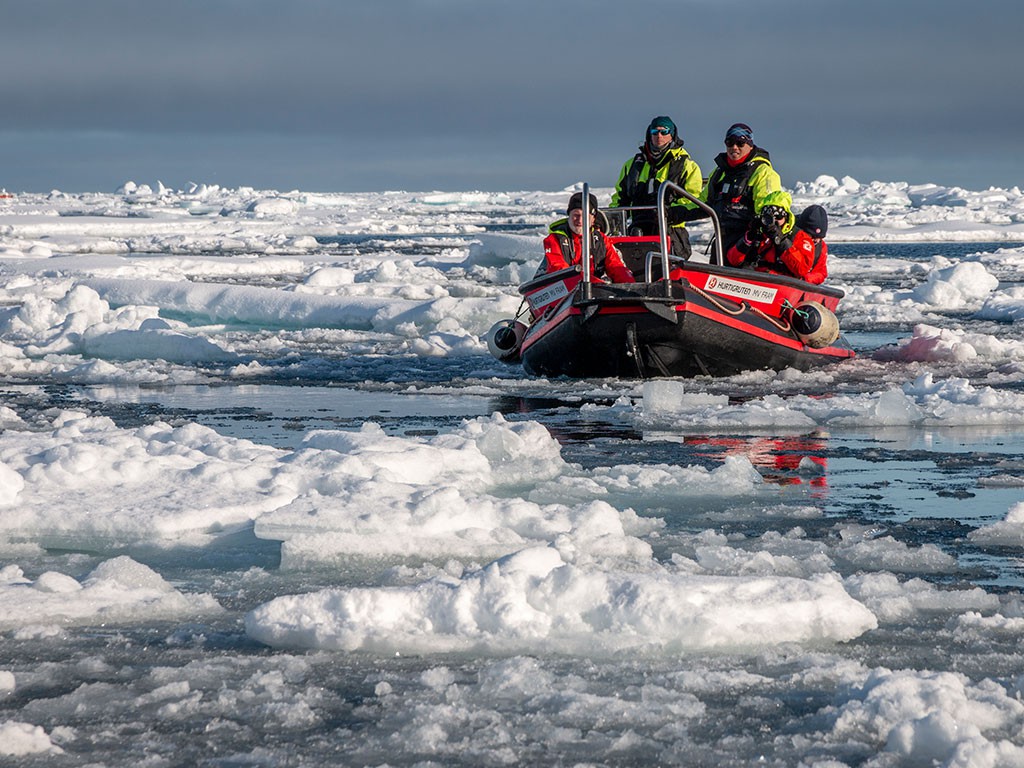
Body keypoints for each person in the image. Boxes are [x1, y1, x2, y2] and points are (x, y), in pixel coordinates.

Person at [672, 122, 785, 254]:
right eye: (729, 143)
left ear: (750, 144)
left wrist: (771, 214)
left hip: (749, 247)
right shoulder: (719, 173)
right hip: (721, 244)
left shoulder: (763, 173)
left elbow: (768, 204)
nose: (734, 147)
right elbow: (702, 204)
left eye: (740, 143)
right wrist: (672, 213)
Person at [610, 116, 703, 258]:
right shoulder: (633, 165)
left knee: (671, 271)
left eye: (664, 132)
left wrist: (670, 213)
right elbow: (620, 199)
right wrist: (609, 220)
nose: (659, 136)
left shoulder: (687, 166)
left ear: (672, 135)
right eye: (655, 131)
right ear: (649, 134)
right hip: (637, 232)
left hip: (671, 232)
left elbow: (693, 200)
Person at [727, 195, 830, 284]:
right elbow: (733, 260)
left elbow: (809, 271)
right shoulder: (762, 232)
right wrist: (749, 238)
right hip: (756, 281)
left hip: (786, 285)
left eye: (819, 238)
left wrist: (780, 241)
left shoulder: (804, 240)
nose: (814, 240)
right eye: (810, 235)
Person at [541, 192, 635, 283]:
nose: (580, 220)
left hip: (593, 291)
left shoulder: (602, 240)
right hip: (562, 291)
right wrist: (594, 283)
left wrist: (631, 287)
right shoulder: (554, 239)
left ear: (593, 219)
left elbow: (616, 267)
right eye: (576, 215)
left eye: (585, 216)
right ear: (569, 215)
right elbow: (558, 269)